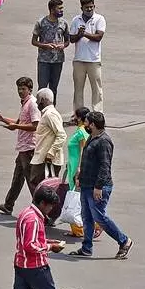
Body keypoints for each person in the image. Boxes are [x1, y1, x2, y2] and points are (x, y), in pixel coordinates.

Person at [69, 112, 132, 259]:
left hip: (98, 187)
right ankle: (86, 248)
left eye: (87, 123)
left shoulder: (104, 141)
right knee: (87, 216)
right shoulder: (92, 137)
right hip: (86, 184)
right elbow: (87, 159)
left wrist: (98, 187)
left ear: (93, 125)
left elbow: (105, 166)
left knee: (99, 217)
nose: (85, 125)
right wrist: (80, 176)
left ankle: (124, 241)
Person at [4, 186, 65, 289]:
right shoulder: (34, 219)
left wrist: (48, 241)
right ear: (42, 203)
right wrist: (50, 247)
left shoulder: (26, 213)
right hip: (35, 266)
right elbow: (30, 245)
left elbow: (30, 238)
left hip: (22, 265)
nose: (51, 209)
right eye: (50, 206)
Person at [0, 77, 40, 216]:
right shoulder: (24, 103)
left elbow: (35, 125)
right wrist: (3, 119)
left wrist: (16, 126)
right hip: (22, 148)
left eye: (23, 89)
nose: (20, 91)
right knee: (17, 178)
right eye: (19, 89)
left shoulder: (32, 104)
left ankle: (42, 211)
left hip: (29, 148)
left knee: (31, 182)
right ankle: (8, 205)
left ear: (30, 90)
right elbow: (19, 122)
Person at [68, 0, 106, 113]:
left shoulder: (99, 19)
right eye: (86, 7)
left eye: (91, 7)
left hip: (93, 60)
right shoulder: (76, 20)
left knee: (96, 89)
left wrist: (84, 34)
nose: (89, 9)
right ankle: (78, 114)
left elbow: (99, 37)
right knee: (78, 89)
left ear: (94, 6)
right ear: (81, 8)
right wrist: (79, 34)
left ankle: (97, 112)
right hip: (79, 59)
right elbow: (72, 39)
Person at [64, 107, 97, 239]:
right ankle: (78, 228)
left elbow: (84, 151)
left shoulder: (82, 131)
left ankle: (79, 228)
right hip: (73, 166)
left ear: (80, 118)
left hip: (77, 168)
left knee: (75, 197)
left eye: (75, 116)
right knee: (76, 196)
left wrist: (79, 169)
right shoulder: (81, 130)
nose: (73, 117)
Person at [32, 0, 70, 98]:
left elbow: (67, 41)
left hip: (58, 60)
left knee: (54, 88)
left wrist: (63, 45)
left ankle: (52, 110)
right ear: (52, 10)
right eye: (59, 8)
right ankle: (39, 111)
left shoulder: (64, 23)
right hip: (44, 60)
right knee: (42, 88)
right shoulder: (41, 23)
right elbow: (34, 41)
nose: (62, 10)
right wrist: (45, 46)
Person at [31, 88, 67, 184]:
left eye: (38, 100)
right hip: (42, 158)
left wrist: (51, 153)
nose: (37, 103)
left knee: (43, 188)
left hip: (47, 160)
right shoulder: (48, 114)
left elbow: (62, 135)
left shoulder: (50, 114)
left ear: (42, 100)